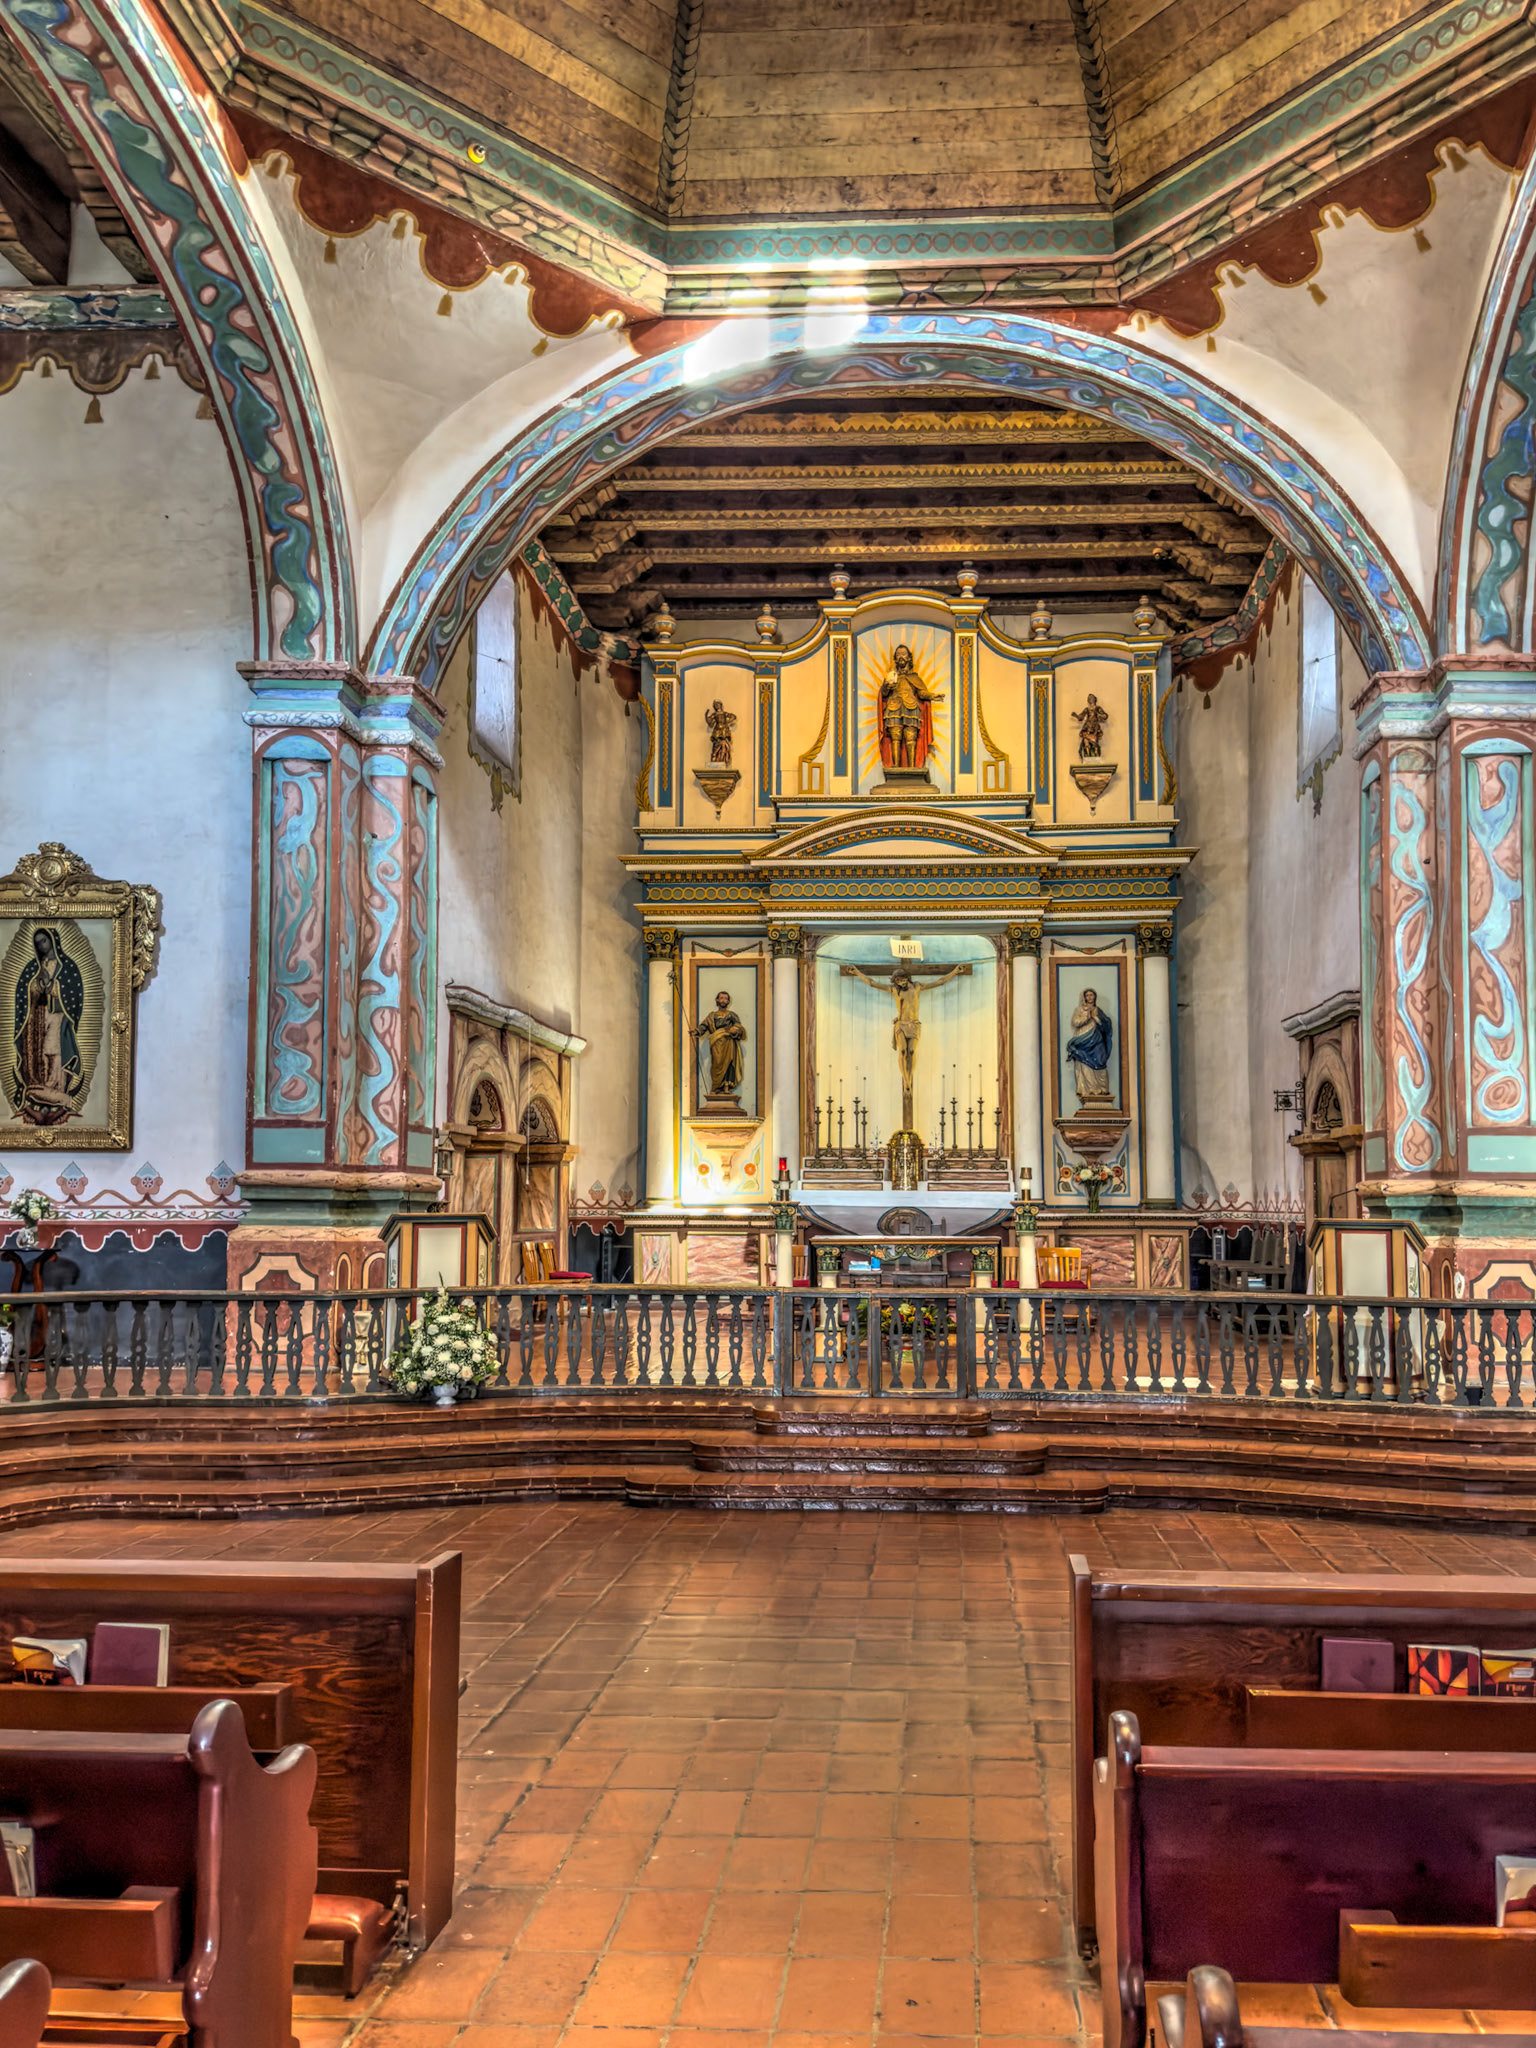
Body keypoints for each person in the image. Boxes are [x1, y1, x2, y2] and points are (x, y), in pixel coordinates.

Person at [11, 926, 85, 1126]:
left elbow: (73, 997)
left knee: (54, 1057)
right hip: (36, 1020)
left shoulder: (67, 967)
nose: (41, 946)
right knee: (35, 1058)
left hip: (57, 1018)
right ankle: (37, 1097)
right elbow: (23, 994)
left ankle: (57, 1097)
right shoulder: (32, 968)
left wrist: (52, 986)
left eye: (44, 941)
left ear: (53, 941)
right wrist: (38, 986)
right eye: (38, 943)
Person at [878, 644, 944, 771]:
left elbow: (921, 692)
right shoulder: (891, 677)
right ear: (895, 659)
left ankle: (912, 768)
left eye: (903, 654)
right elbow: (884, 694)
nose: (901, 657)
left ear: (909, 658)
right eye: (898, 655)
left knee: (910, 737)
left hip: (911, 708)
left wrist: (932, 696)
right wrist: (886, 686)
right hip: (893, 708)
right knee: (895, 738)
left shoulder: (915, 678)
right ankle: (896, 768)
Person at [693, 989, 747, 1101]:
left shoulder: (732, 1015)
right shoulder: (712, 1016)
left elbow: (739, 1028)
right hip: (716, 1044)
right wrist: (696, 1032)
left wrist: (734, 1030)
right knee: (716, 1064)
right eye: (721, 998)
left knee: (728, 1065)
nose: (723, 1000)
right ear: (717, 1000)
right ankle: (715, 1087)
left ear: (728, 1002)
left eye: (726, 999)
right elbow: (704, 1026)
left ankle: (726, 1087)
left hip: (728, 1043)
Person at [1066, 987, 1114, 1105]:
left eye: (1091, 995)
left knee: (1100, 1061)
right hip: (1083, 1040)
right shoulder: (1079, 1010)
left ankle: (1101, 1090)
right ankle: (1088, 1090)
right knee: (1083, 1063)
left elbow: (1106, 1025)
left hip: (1097, 1040)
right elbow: (1075, 1022)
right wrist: (1087, 1017)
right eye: (1087, 995)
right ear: (1084, 997)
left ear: (1095, 997)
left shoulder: (1098, 1010)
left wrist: (1096, 1018)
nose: (1089, 997)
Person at [1072, 693, 1108, 759]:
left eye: (1091, 698)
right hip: (1087, 728)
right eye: (1089, 698)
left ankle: (1096, 757)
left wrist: (1100, 715)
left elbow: (1105, 716)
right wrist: (1076, 715)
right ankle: (1087, 758)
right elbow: (1081, 717)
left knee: (1095, 744)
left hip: (1095, 728)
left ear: (1094, 699)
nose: (1090, 699)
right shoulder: (1087, 709)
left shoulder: (1097, 708)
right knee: (1086, 743)